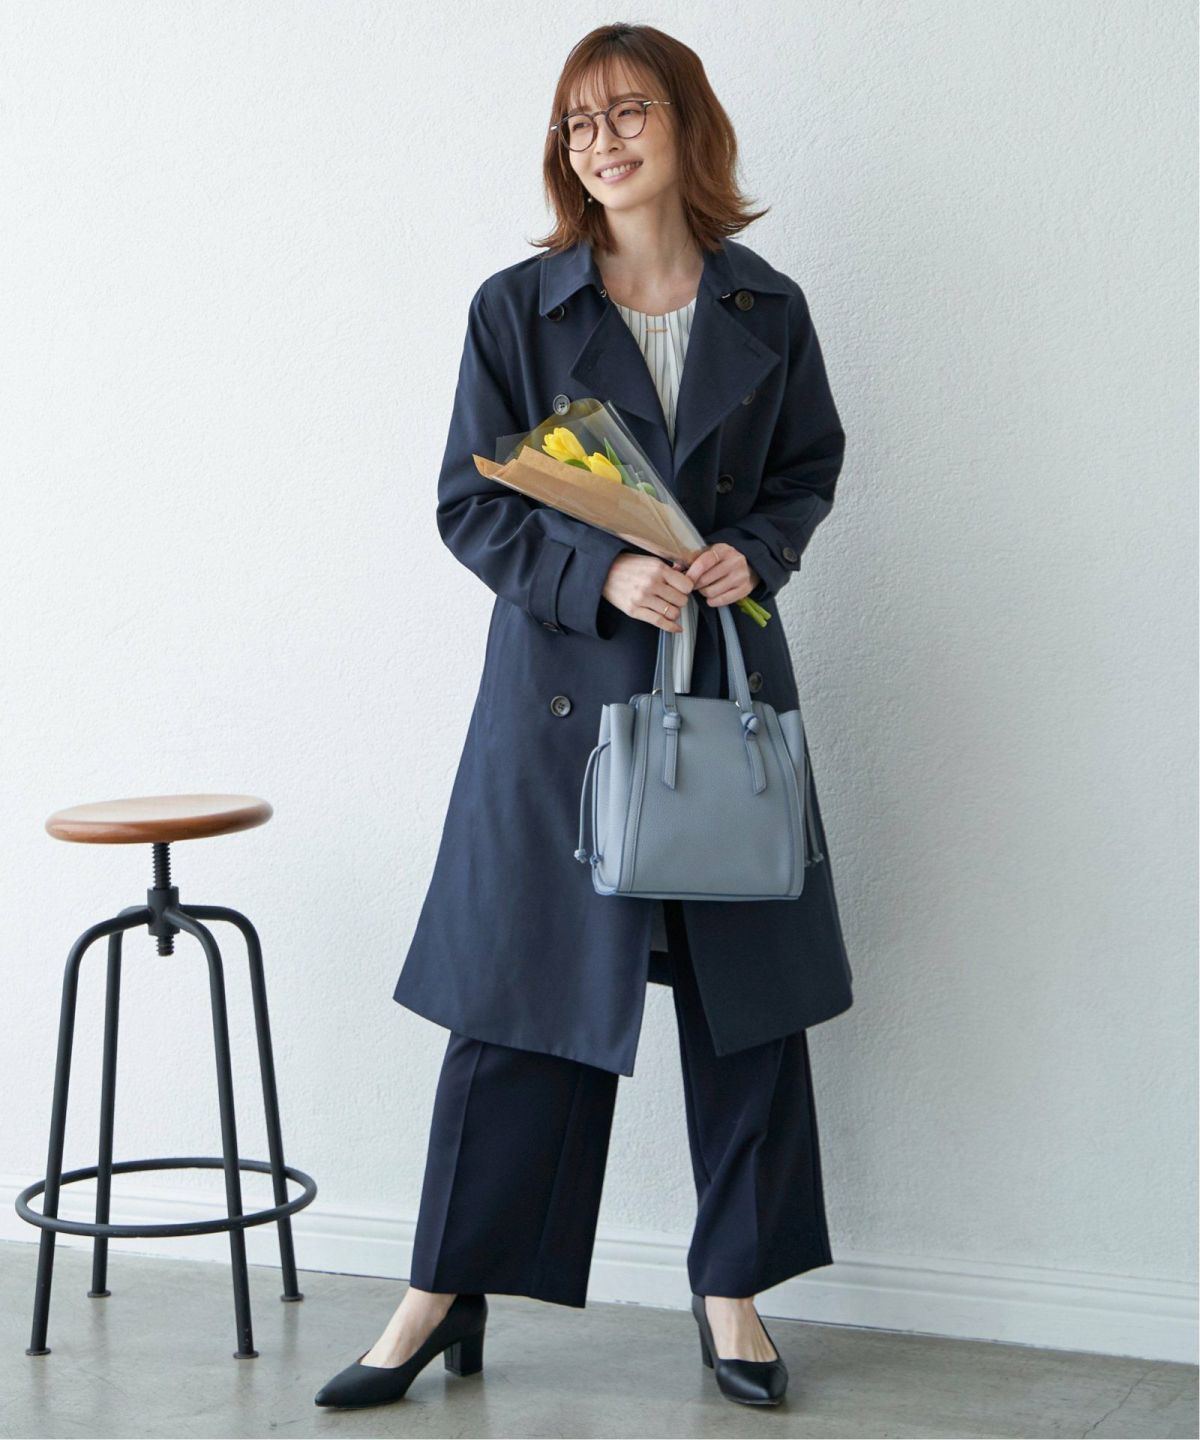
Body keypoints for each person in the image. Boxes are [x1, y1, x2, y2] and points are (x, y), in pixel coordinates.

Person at [316, 20, 852, 1413]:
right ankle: (443, 1290)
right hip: (562, 702)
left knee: (744, 1003)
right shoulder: (520, 307)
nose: (603, 142)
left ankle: (731, 1289)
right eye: (579, 123)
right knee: (518, 999)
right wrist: (601, 573)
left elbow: (807, 466)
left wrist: (756, 555)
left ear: (688, 125)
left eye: (629, 113)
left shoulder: (767, 306)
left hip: (718, 697)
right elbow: (470, 502)